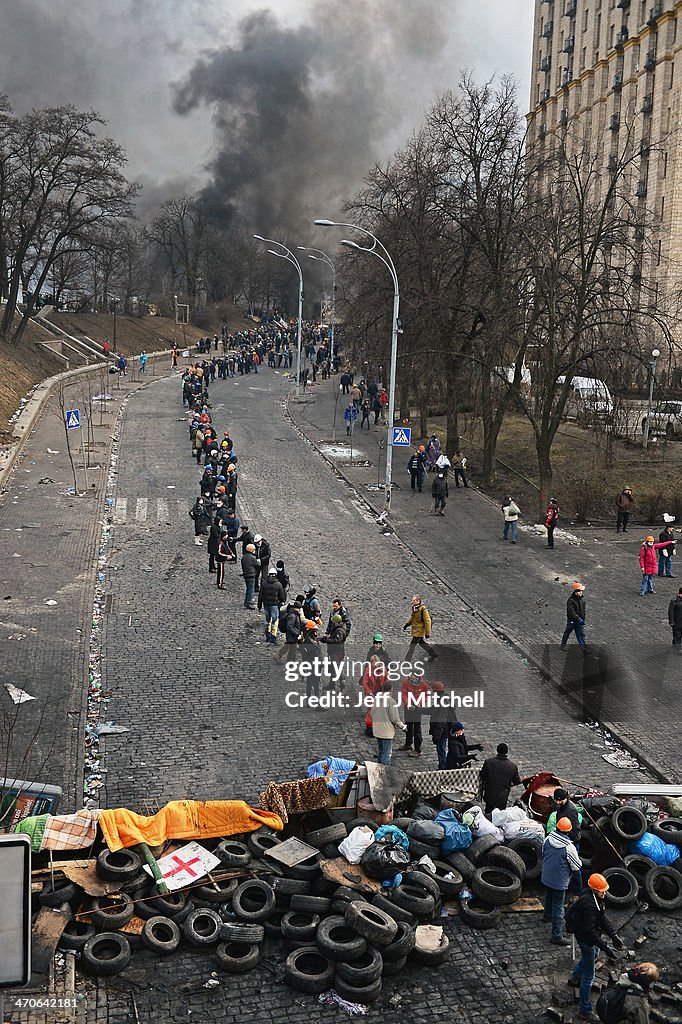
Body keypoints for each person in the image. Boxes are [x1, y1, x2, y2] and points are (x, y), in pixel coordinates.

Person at [568, 873, 625, 1022]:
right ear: (594, 889)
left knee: (593, 956)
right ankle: (584, 1010)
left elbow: (602, 918)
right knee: (589, 976)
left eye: (605, 890)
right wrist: (607, 948)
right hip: (586, 940)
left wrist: (614, 935)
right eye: (602, 891)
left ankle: (574, 977)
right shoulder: (588, 905)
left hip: (588, 936)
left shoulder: (595, 898)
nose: (604, 893)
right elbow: (590, 934)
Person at [541, 816, 581, 946]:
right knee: (558, 907)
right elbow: (576, 867)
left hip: (546, 876)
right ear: (568, 831)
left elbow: (544, 853)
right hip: (559, 881)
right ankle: (557, 936)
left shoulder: (547, 839)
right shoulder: (569, 847)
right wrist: (577, 890)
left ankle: (547, 916)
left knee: (548, 896)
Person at [371, 680, 407, 766]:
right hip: (386, 732)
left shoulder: (376, 699)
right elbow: (395, 719)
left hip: (377, 730)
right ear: (391, 690)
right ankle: (385, 773)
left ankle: (378, 771)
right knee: (386, 754)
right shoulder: (391, 701)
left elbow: (372, 713)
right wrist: (403, 727)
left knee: (380, 752)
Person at [480, 743, 521, 814]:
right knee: (500, 815)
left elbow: (482, 775)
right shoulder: (512, 766)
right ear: (507, 752)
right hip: (502, 795)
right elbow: (517, 781)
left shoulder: (489, 762)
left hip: (490, 792)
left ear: (497, 750)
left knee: (488, 810)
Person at [398, 672, 430, 757]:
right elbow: (403, 694)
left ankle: (417, 749)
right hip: (408, 708)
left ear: (416, 676)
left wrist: (419, 703)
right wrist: (408, 703)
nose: (409, 676)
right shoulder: (406, 682)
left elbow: (426, 695)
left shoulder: (423, 684)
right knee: (408, 726)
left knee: (417, 728)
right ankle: (408, 744)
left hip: (417, 709)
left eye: (412, 675)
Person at [404, 594, 436, 661]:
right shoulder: (414, 608)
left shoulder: (423, 610)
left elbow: (428, 621)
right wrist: (407, 624)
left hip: (420, 631)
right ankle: (433, 654)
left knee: (412, 646)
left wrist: (427, 633)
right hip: (416, 630)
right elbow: (413, 617)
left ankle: (407, 661)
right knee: (422, 643)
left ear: (418, 601)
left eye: (413, 600)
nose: (412, 602)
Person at [258, 566, 286, 644]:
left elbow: (260, 595)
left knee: (267, 620)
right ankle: (273, 636)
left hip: (266, 604)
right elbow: (282, 595)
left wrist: (259, 605)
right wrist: (282, 601)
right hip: (274, 604)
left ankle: (268, 634)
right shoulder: (278, 584)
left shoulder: (264, 583)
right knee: (274, 619)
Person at [320, 613, 348, 689]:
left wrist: (327, 640)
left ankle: (342, 681)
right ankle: (333, 684)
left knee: (335, 667)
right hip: (334, 652)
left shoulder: (339, 631)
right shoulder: (339, 628)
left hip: (336, 652)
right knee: (333, 667)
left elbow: (337, 640)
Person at [360, 655, 386, 736]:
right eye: (373, 663)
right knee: (371, 710)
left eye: (376, 662)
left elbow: (386, 681)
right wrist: (369, 692)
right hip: (371, 692)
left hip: (380, 691)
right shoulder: (368, 670)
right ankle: (370, 728)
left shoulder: (383, 669)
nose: (374, 664)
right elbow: (365, 683)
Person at [428, 682, 449, 769]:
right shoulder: (444, 699)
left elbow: (440, 722)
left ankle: (443, 768)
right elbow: (432, 710)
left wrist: (436, 736)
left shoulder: (441, 703)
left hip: (442, 731)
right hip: (445, 730)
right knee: (442, 749)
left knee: (441, 750)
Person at [561, 582, 587, 651]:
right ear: (576, 592)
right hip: (572, 621)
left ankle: (584, 649)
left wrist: (583, 618)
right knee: (568, 632)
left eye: (581, 591)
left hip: (579, 620)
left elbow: (583, 610)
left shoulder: (582, 600)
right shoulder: (571, 601)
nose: (581, 592)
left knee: (581, 635)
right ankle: (563, 645)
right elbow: (571, 611)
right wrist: (578, 618)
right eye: (580, 591)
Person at [240, 543, 260, 609]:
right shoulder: (252, 557)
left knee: (248, 588)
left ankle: (247, 601)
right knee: (251, 589)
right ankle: (249, 602)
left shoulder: (244, 557)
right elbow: (257, 565)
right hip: (251, 574)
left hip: (246, 574)